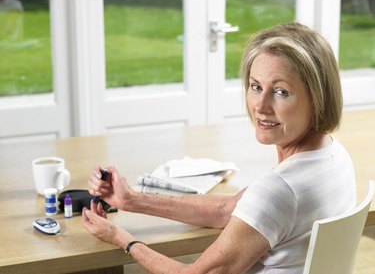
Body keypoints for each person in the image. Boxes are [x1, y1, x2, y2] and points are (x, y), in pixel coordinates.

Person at [82, 22, 357, 273]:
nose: (260, 107)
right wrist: (130, 200)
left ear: (318, 97)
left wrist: (122, 239)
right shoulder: (334, 156)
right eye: (255, 86)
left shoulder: (280, 190)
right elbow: (227, 210)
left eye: (281, 91)